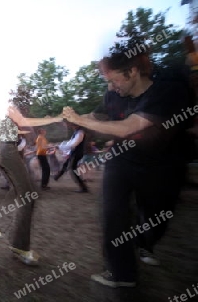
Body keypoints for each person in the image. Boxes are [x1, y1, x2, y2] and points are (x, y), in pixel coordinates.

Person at [62, 50, 190, 287]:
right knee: (113, 213)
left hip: (161, 163)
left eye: (113, 80)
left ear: (132, 72)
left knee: (157, 214)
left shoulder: (164, 92)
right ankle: (122, 273)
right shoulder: (113, 96)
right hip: (121, 159)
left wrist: (82, 121)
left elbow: (128, 127)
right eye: (107, 81)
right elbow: (97, 117)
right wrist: (73, 117)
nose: (110, 87)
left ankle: (144, 243)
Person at [0, 108, 62, 265]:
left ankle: (1, 227)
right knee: (28, 197)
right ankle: (20, 247)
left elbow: (23, 129)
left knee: (23, 194)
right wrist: (54, 119)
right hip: (8, 153)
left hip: (7, 154)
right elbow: (27, 122)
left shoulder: (10, 126)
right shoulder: (11, 114)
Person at [53, 122, 88, 193]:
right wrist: (60, 145)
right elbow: (70, 142)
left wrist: (60, 146)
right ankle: (58, 176)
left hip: (77, 153)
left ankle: (83, 187)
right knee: (66, 164)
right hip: (74, 152)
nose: (72, 127)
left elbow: (73, 144)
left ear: (77, 125)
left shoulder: (80, 132)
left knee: (73, 169)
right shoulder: (77, 132)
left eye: (73, 125)